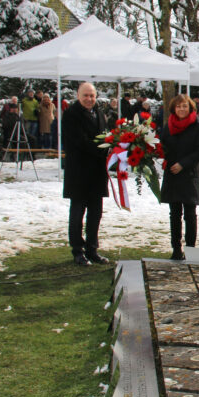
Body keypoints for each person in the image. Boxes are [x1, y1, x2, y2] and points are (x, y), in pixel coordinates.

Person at [62, 82, 110, 266]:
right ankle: (77, 250)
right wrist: (103, 150)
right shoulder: (71, 115)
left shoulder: (99, 113)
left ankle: (92, 249)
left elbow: (104, 136)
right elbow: (79, 141)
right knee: (77, 213)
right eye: (86, 95)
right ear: (78, 96)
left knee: (95, 213)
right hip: (79, 172)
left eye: (92, 95)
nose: (89, 99)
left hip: (97, 173)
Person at [160, 94, 199, 260]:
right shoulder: (168, 126)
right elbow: (163, 146)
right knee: (174, 214)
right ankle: (176, 249)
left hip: (188, 174)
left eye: (185, 106)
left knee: (189, 214)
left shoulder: (198, 126)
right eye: (179, 106)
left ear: (190, 108)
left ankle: (191, 249)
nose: (182, 109)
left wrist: (183, 164)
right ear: (174, 108)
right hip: (172, 174)